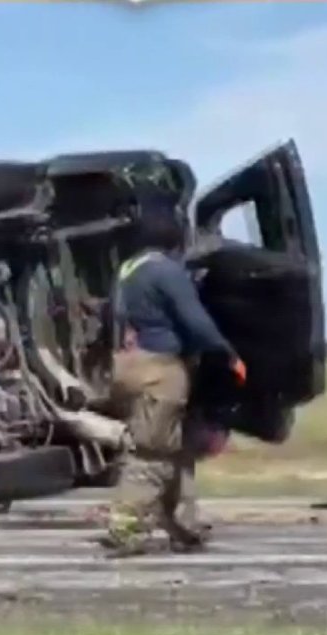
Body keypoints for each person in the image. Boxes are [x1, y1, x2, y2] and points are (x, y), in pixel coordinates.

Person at [100, 202, 247, 557]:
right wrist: (227, 354)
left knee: (175, 448)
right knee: (152, 453)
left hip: (128, 366)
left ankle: (184, 523)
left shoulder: (127, 270)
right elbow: (194, 321)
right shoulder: (166, 271)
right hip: (160, 370)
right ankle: (126, 526)